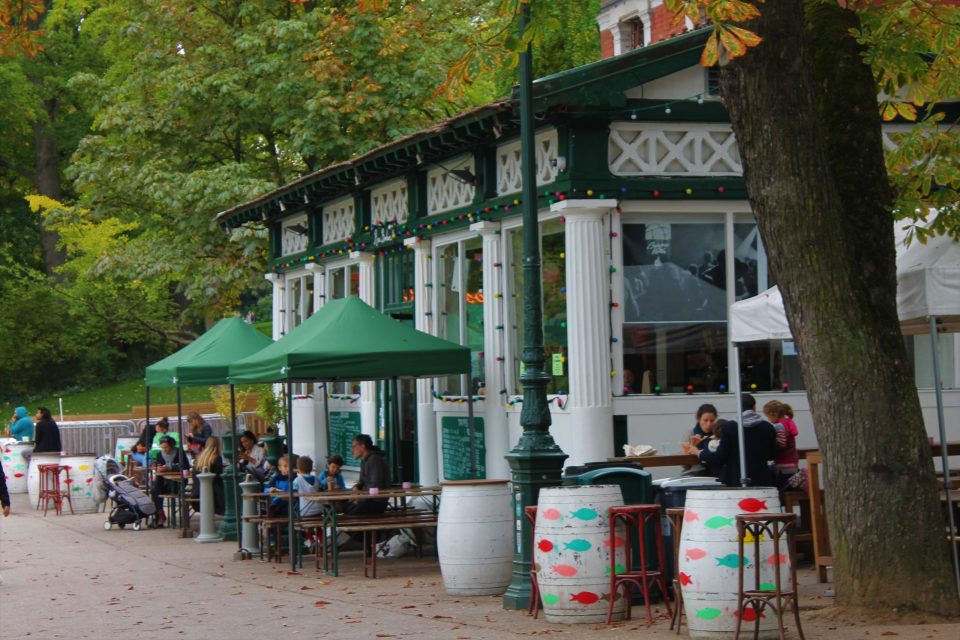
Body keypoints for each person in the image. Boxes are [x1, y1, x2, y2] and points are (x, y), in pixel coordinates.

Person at [695, 393, 777, 487]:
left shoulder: (729, 427)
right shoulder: (768, 427)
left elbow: (720, 457)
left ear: (738, 408)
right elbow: (772, 455)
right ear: (754, 407)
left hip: (736, 480)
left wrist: (699, 453)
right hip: (762, 479)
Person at [150, 435, 190, 527]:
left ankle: (160, 517)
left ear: (171, 445)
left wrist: (169, 468)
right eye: (163, 447)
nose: (165, 449)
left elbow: (186, 466)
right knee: (155, 488)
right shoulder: (160, 454)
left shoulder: (179, 452)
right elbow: (159, 466)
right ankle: (160, 513)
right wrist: (158, 468)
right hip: (165, 483)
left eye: (166, 447)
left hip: (178, 482)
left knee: (155, 489)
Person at [346, 434, 389, 517]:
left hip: (377, 501)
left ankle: (372, 530)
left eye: (354, 447)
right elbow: (362, 481)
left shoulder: (375, 459)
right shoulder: (364, 460)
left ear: (362, 446)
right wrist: (357, 487)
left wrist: (360, 498)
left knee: (350, 517)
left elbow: (375, 485)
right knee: (346, 509)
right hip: (368, 499)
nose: (352, 450)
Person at [764, 399, 801, 489]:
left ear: (774, 414)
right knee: (788, 484)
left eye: (768, 417)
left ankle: (779, 501)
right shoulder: (788, 422)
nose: (768, 419)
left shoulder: (779, 426)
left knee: (776, 485)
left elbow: (781, 444)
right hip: (793, 462)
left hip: (782, 465)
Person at [681, 403, 719, 477]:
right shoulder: (690, 433)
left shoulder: (718, 434)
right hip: (693, 473)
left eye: (712, 421)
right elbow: (684, 464)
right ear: (698, 419)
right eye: (705, 420)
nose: (708, 424)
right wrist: (691, 449)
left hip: (714, 473)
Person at [190, 436, 225, 515]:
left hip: (196, 493)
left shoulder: (199, 458)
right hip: (212, 494)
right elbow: (218, 477)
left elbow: (194, 476)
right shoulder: (216, 458)